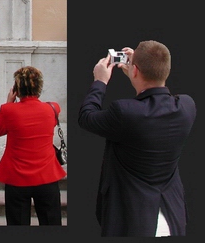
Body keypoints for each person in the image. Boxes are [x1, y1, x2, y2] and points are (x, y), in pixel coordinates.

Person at [78, 41, 196, 236]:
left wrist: (100, 81)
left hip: (132, 219)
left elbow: (86, 116)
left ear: (134, 71)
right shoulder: (187, 106)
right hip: (172, 217)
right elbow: (158, 90)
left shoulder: (125, 112)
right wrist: (141, 71)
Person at [0, 66, 65, 226]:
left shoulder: (8, 110)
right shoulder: (52, 108)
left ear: (17, 90)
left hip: (17, 178)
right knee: (51, 223)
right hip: (47, 176)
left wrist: (8, 102)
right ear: (39, 88)